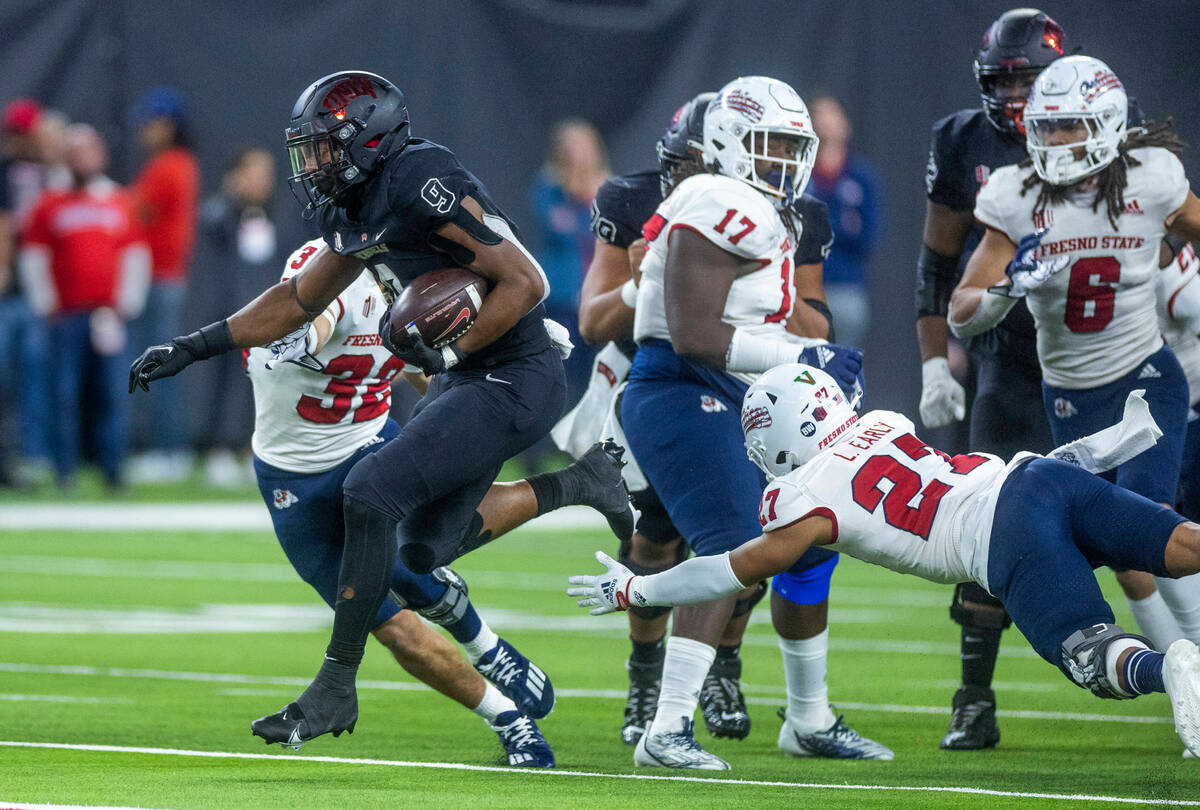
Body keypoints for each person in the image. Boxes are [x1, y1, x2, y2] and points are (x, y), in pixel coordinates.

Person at [128, 70, 634, 747]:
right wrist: (195, 345)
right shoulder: (350, 206)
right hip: (468, 372)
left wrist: (449, 359)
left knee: (369, 493)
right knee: (423, 549)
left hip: (516, 372)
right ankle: (581, 482)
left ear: (368, 139)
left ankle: (336, 682)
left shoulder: (420, 179)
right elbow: (298, 299)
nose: (311, 165)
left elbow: (528, 282)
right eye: (305, 150)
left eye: (323, 148)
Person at [567, 362, 1200, 759]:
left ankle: (1168, 667)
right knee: (1182, 545)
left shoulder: (805, 497)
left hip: (1002, 535)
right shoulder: (882, 421)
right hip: (1038, 477)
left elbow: (727, 571)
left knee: (1094, 656)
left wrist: (636, 591)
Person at [912, 9, 1182, 750]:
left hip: (1125, 367)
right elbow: (943, 271)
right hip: (1015, 358)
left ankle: (1180, 668)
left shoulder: (1138, 165)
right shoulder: (986, 166)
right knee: (988, 522)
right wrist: (939, 353)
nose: (1022, 101)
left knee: (1143, 523)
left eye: (1033, 84)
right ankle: (974, 694)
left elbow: (1175, 232)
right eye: (1008, 83)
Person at [618, 75, 887, 770]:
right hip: (680, 388)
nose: (785, 160)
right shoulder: (718, 199)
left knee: (812, 538)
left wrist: (804, 358)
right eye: (770, 144)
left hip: (737, 389)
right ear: (728, 142)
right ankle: (667, 728)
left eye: (794, 147)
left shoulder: (760, 207)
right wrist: (807, 351)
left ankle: (808, 718)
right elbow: (693, 336)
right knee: (730, 544)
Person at [564, 90, 846, 751]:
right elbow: (595, 321)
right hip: (656, 376)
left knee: (753, 535)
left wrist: (762, 302)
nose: (690, 182)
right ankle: (647, 679)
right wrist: (651, 282)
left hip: (745, 378)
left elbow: (815, 319)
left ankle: (722, 666)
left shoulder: (787, 209)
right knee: (662, 535)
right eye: (680, 166)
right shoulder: (643, 202)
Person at [247, 237, 555, 766]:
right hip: (293, 478)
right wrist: (298, 335)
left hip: (368, 446)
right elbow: (311, 317)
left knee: (414, 563)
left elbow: (427, 368)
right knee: (389, 625)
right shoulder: (327, 270)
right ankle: (506, 714)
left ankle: (485, 644)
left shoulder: (423, 285)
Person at [948, 55, 1200, 658]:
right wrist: (1009, 289)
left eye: (1073, 126)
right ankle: (1178, 677)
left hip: (1146, 377)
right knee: (1122, 554)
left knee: (1150, 523)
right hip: (1068, 396)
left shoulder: (1152, 177)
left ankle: (1192, 660)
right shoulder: (1013, 195)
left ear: (1110, 124)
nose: (1057, 140)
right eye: (1047, 127)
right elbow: (962, 308)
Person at [19, 124, 149, 490]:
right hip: (66, 315)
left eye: (88, 151)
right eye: (75, 152)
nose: (82, 159)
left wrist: (127, 303)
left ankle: (114, 470)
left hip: (108, 314)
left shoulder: (118, 200)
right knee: (63, 393)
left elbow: (135, 254)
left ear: (100, 155)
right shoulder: (49, 202)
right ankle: (65, 471)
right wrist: (45, 303)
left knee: (113, 392)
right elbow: (34, 256)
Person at [189, 147, 291, 486]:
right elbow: (210, 220)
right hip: (228, 313)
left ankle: (253, 450)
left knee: (261, 384)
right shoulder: (222, 213)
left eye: (267, 174)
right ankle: (217, 449)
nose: (263, 181)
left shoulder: (274, 213)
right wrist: (232, 196)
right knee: (222, 385)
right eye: (255, 173)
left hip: (266, 316)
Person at [127, 87, 201, 483]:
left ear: (168, 125)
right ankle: (169, 450)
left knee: (156, 364)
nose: (143, 127)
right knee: (161, 361)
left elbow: (132, 211)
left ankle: (167, 452)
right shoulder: (179, 163)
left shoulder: (168, 165)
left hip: (159, 278)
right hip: (164, 278)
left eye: (150, 120)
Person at [530, 119, 609, 408]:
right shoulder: (549, 185)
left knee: (593, 372)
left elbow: (602, 235)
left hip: (596, 294)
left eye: (581, 146)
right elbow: (560, 228)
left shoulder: (607, 185)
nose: (575, 153)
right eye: (569, 146)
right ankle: (543, 445)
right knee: (557, 370)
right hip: (562, 295)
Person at [0, 99, 59, 486]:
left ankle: (35, 457)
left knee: (40, 380)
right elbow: (5, 224)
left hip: (43, 291)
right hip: (13, 291)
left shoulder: (57, 172)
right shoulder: (6, 172)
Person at [805, 95, 881, 350]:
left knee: (844, 365)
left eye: (831, 114)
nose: (825, 123)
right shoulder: (799, 173)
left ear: (845, 124)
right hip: (801, 289)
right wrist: (841, 225)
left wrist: (819, 226)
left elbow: (869, 236)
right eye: (818, 115)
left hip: (846, 288)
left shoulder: (861, 177)